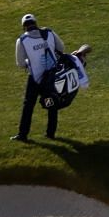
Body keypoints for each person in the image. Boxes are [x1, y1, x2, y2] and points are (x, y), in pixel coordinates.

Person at [14, 14, 88, 142]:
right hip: (53, 76)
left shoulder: (22, 40)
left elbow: (20, 63)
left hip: (35, 79)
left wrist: (29, 61)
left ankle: (23, 134)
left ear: (24, 27)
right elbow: (61, 48)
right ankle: (50, 133)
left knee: (28, 105)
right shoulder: (49, 32)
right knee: (52, 103)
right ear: (35, 23)